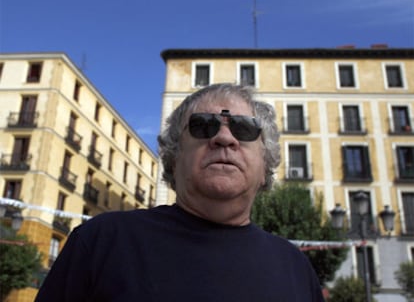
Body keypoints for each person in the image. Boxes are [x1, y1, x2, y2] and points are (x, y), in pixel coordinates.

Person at [35, 83, 324, 301]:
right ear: (174, 156)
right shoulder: (101, 242)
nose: (224, 137)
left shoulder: (296, 268)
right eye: (202, 126)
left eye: (244, 129)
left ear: (266, 165)